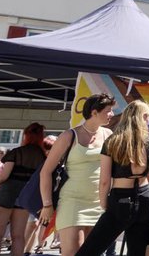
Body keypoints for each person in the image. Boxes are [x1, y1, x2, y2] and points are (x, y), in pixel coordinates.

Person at [77, 100, 149, 256]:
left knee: (92, 248)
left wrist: (104, 202)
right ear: (144, 117)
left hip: (121, 197)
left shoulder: (113, 141)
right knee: (137, 250)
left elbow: (105, 181)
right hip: (146, 197)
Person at [40, 94, 116, 256]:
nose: (111, 114)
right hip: (72, 203)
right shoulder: (69, 136)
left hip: (99, 203)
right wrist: (47, 204)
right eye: (108, 111)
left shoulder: (108, 134)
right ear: (94, 112)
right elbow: (46, 171)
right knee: (73, 252)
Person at [0, 122, 47, 256]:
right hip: (25, 195)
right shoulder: (43, 156)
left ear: (26, 135)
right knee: (18, 236)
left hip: (7, 193)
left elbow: (4, 176)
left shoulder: (16, 152)